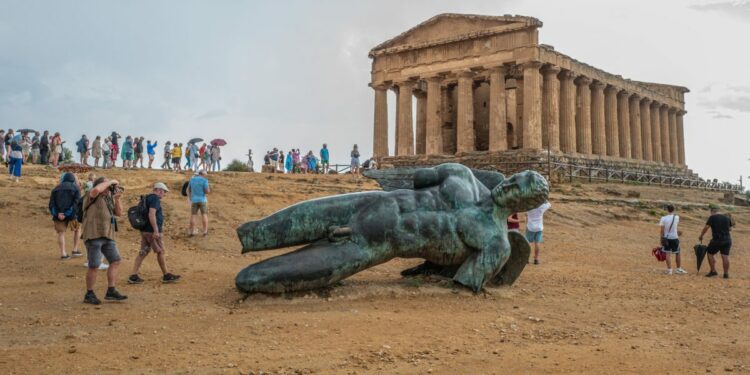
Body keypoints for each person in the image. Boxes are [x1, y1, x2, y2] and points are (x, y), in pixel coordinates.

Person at [80, 176, 127, 305]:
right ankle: (89, 293)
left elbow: (119, 213)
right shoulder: (91, 195)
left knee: (116, 260)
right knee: (94, 265)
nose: (110, 188)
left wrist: (117, 199)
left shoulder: (108, 198)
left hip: (108, 235)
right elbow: (95, 190)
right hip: (94, 234)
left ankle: (111, 290)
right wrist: (110, 182)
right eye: (107, 186)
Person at [128, 183, 181, 284]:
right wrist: (156, 230)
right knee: (160, 251)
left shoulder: (146, 198)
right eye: (164, 192)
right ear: (159, 190)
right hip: (151, 231)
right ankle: (166, 275)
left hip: (144, 230)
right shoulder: (155, 199)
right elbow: (152, 214)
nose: (164, 194)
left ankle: (133, 275)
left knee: (143, 251)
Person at [49, 173, 83, 259]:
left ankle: (63, 253)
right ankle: (75, 250)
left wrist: (58, 214)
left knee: (61, 233)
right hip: (73, 215)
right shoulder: (76, 189)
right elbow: (76, 203)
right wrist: (67, 213)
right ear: (73, 180)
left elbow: (51, 205)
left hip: (58, 216)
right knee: (77, 230)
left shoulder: (55, 189)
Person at [699, 204, 734, 279]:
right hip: (727, 239)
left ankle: (713, 271)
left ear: (712, 211)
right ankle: (726, 274)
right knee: (725, 256)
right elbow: (730, 229)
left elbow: (706, 227)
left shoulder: (712, 217)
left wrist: (701, 235)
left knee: (710, 253)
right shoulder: (727, 218)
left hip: (717, 240)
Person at [659, 204, 686, 275]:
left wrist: (661, 238)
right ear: (673, 209)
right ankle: (678, 269)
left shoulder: (663, 218)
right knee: (677, 253)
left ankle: (669, 270)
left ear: (667, 210)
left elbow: (662, 230)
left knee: (667, 253)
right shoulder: (677, 217)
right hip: (674, 237)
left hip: (666, 238)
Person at [525, 200, 551, 264]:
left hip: (530, 227)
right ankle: (536, 259)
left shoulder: (529, 207)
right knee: (537, 243)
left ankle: (527, 258)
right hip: (539, 228)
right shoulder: (541, 207)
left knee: (528, 243)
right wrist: (543, 199)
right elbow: (549, 204)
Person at [188, 170, 211, 236]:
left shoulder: (192, 180)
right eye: (205, 174)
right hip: (202, 199)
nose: (205, 176)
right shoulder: (204, 180)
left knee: (193, 215)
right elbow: (207, 191)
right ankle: (205, 231)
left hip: (194, 200)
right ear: (202, 174)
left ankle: (192, 231)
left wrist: (191, 197)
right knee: (204, 214)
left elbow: (189, 190)